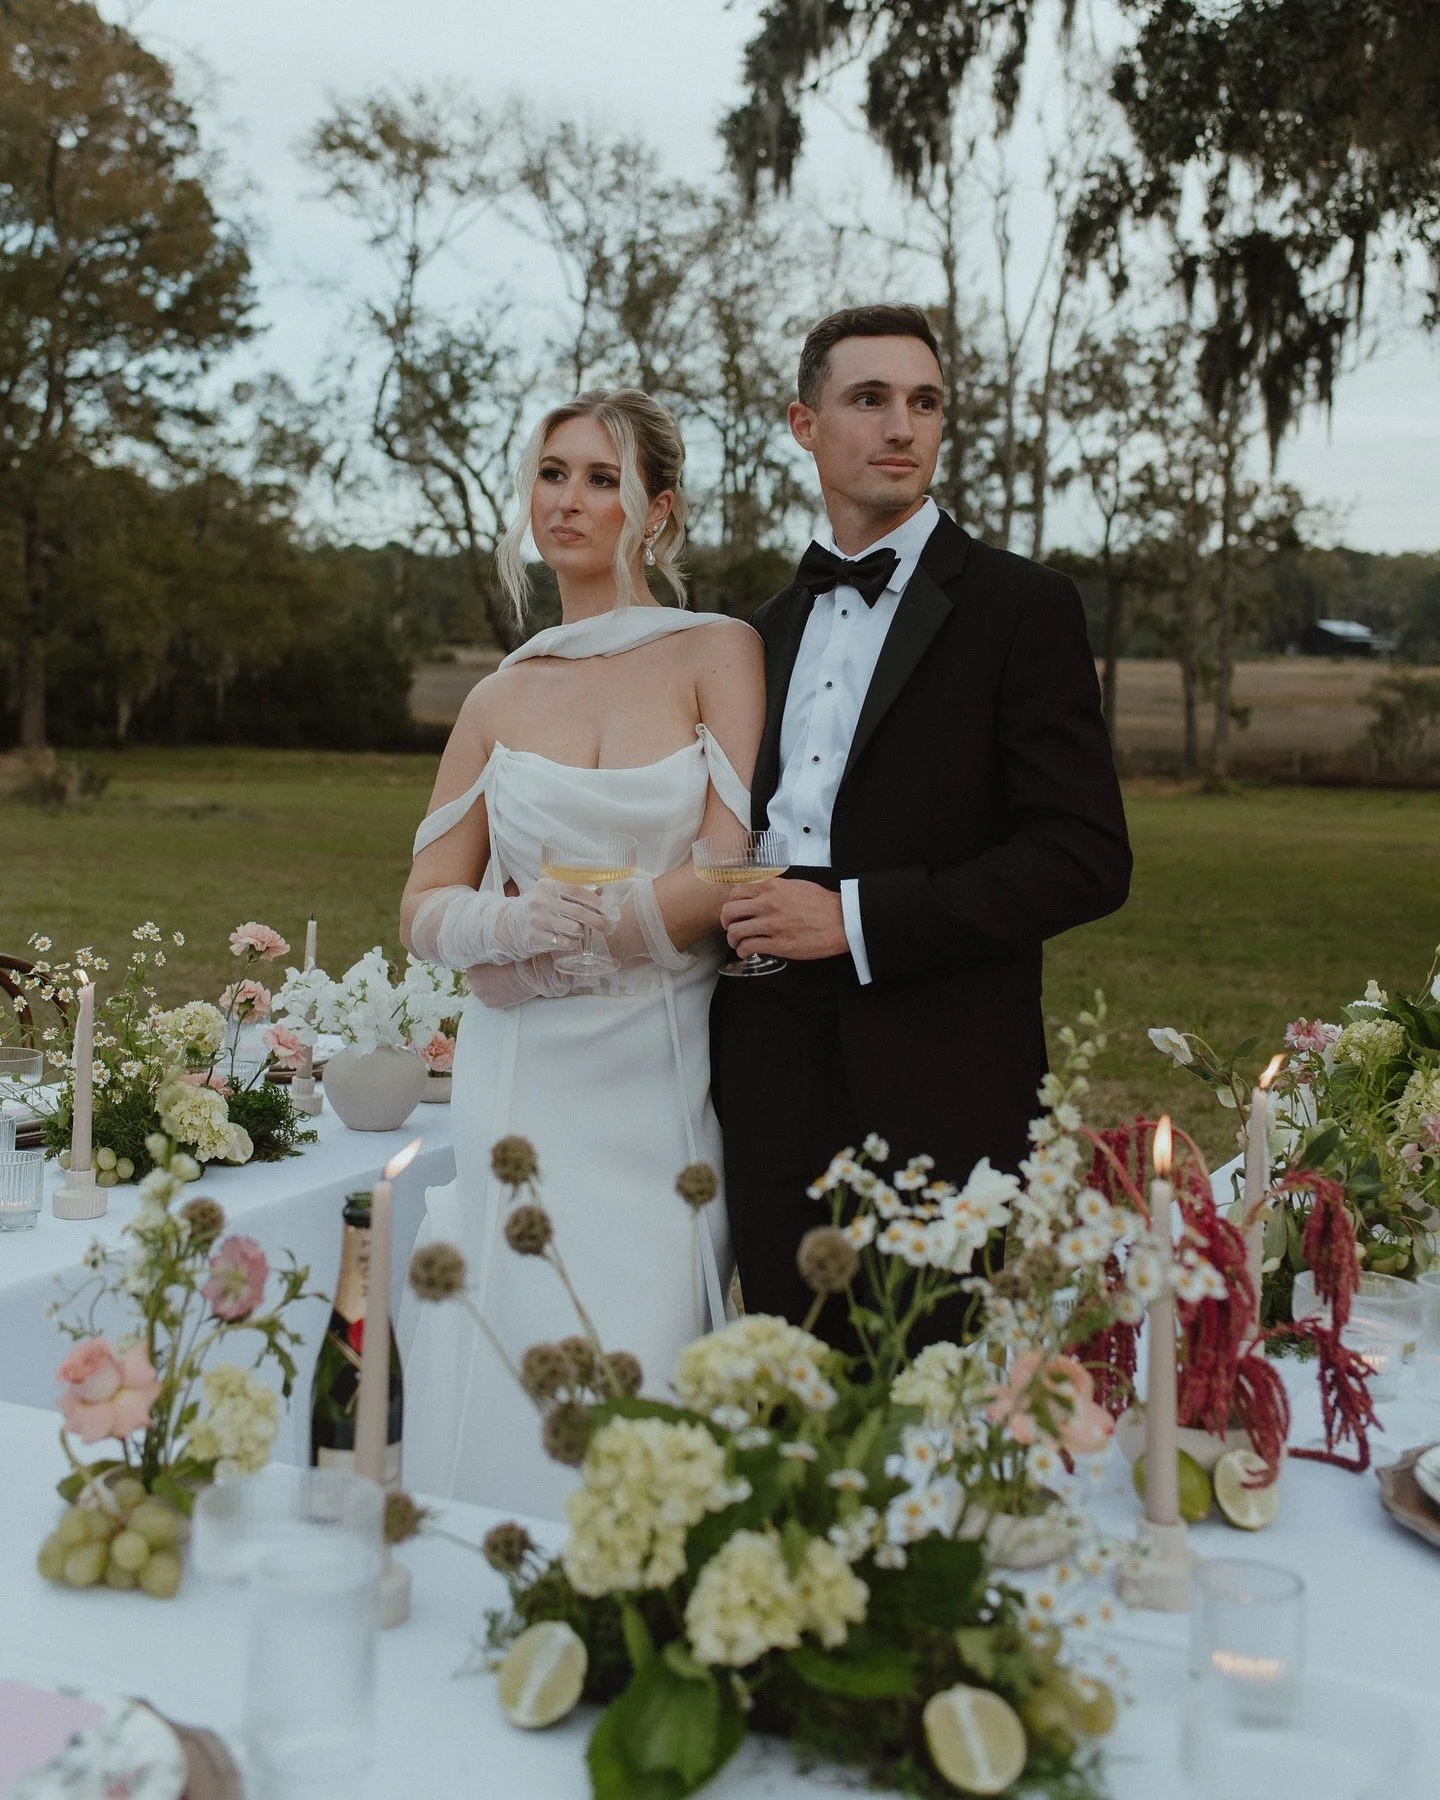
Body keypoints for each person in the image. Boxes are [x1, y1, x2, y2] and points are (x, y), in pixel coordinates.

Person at [712, 303, 1132, 1350]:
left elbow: (1082, 857)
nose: (902, 425)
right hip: (761, 1072)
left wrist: (850, 919)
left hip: (944, 1078)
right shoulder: (754, 635)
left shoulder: (1023, 609)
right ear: (805, 425)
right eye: (869, 399)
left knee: (938, 1392)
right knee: (786, 1374)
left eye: (924, 402)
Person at [399, 389, 763, 1519]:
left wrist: (603, 931)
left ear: (656, 509)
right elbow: (422, 904)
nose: (569, 500)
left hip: (657, 1073)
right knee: (509, 1337)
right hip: (523, 1076)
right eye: (553, 473)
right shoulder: (499, 697)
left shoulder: (720, 652)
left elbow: (733, 867)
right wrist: (507, 928)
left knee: (643, 1344)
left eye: (601, 479)